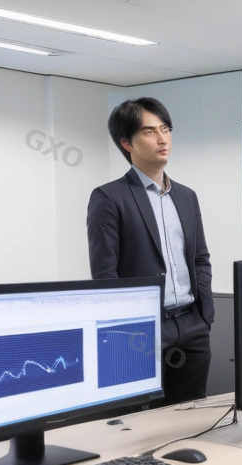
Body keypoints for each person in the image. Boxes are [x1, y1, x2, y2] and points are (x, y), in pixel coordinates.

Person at [87, 97, 214, 405]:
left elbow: (200, 258)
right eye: (149, 131)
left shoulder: (186, 196)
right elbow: (105, 275)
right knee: (142, 418)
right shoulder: (109, 198)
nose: (162, 139)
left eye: (166, 129)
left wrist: (205, 315)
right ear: (126, 143)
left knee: (192, 413)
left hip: (192, 325)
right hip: (141, 331)